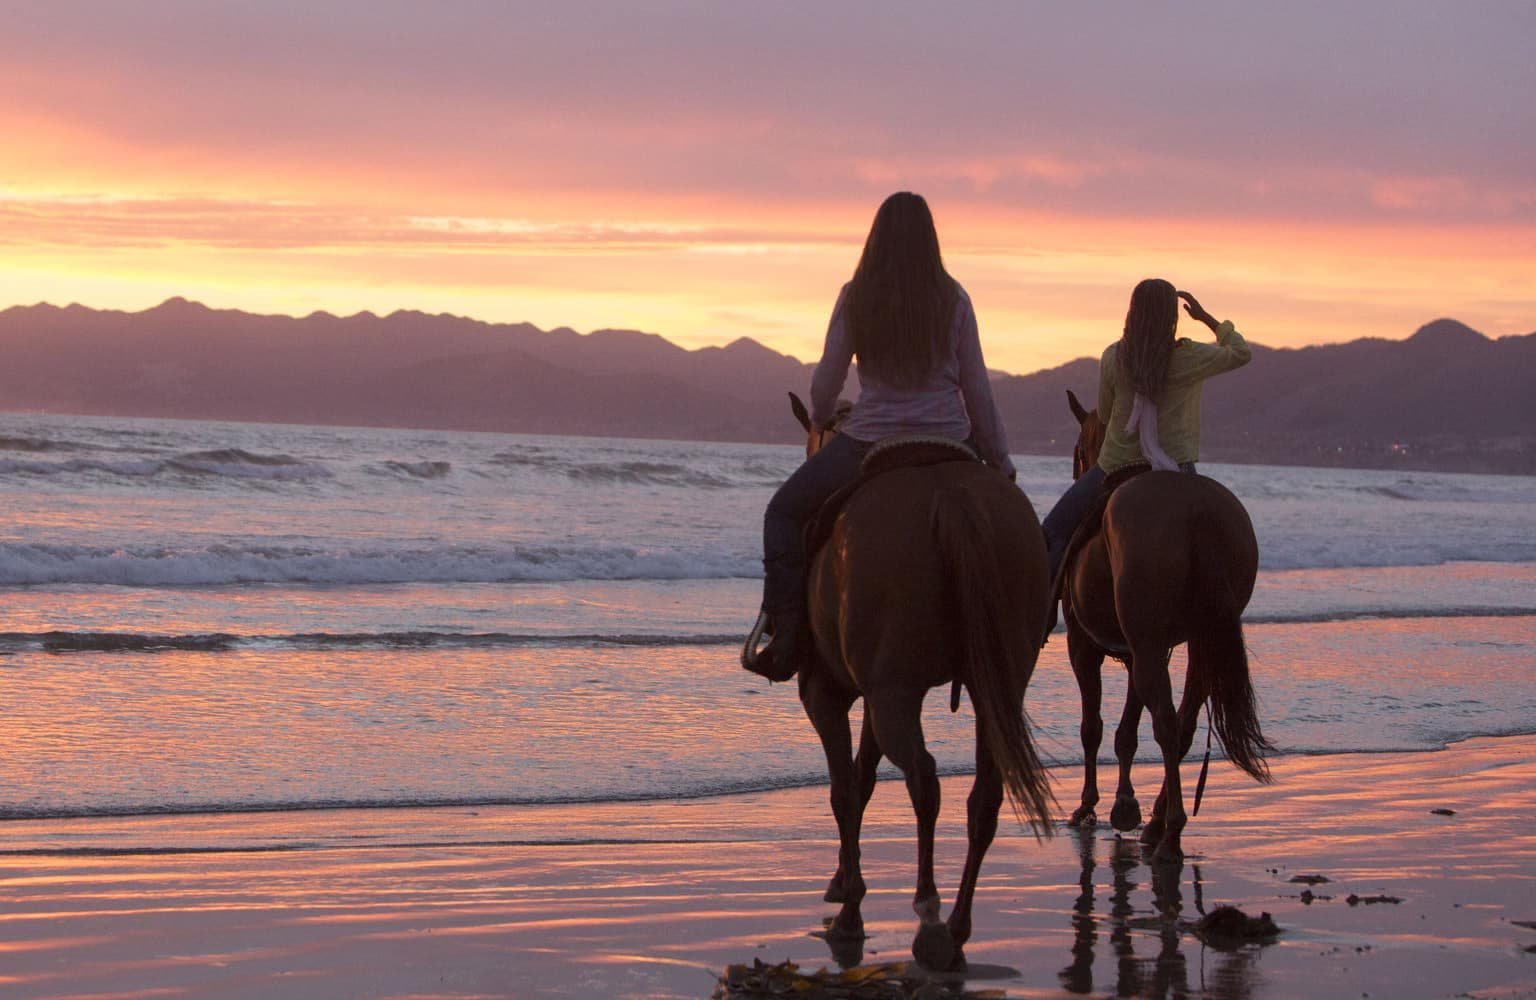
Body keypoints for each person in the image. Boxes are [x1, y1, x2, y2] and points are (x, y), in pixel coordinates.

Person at [743, 192, 1016, 682]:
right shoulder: (954, 298)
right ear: (930, 240)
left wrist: (821, 419)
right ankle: (1025, 622)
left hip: (872, 441)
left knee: (782, 512)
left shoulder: (857, 295)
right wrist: (999, 459)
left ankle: (785, 636)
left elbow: (826, 380)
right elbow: (978, 389)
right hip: (951, 442)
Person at [1041, 278, 1251, 583]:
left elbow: (1106, 412)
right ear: (1174, 317)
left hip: (1115, 466)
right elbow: (1240, 352)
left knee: (1052, 532)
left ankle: (1038, 621)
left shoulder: (1114, 356)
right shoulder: (1190, 357)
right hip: (1176, 468)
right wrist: (1206, 318)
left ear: (1132, 311)